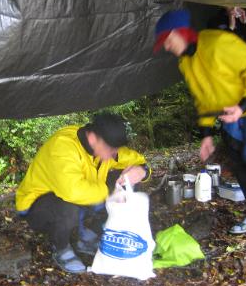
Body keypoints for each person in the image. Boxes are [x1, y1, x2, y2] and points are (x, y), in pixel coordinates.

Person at [153, 9, 246, 242]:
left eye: (168, 41)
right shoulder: (186, 64)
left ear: (182, 33)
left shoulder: (219, 42)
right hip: (237, 106)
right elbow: (204, 99)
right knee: (235, 155)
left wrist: (242, 106)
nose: (167, 47)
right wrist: (207, 135)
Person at [15, 113, 151, 273]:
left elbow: (136, 159)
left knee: (125, 179)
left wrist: (142, 171)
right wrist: (109, 193)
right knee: (68, 204)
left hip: (77, 198)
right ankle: (61, 247)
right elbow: (72, 191)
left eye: (115, 150)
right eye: (110, 149)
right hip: (36, 206)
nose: (113, 154)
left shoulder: (105, 146)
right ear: (93, 138)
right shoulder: (62, 147)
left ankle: (86, 234)